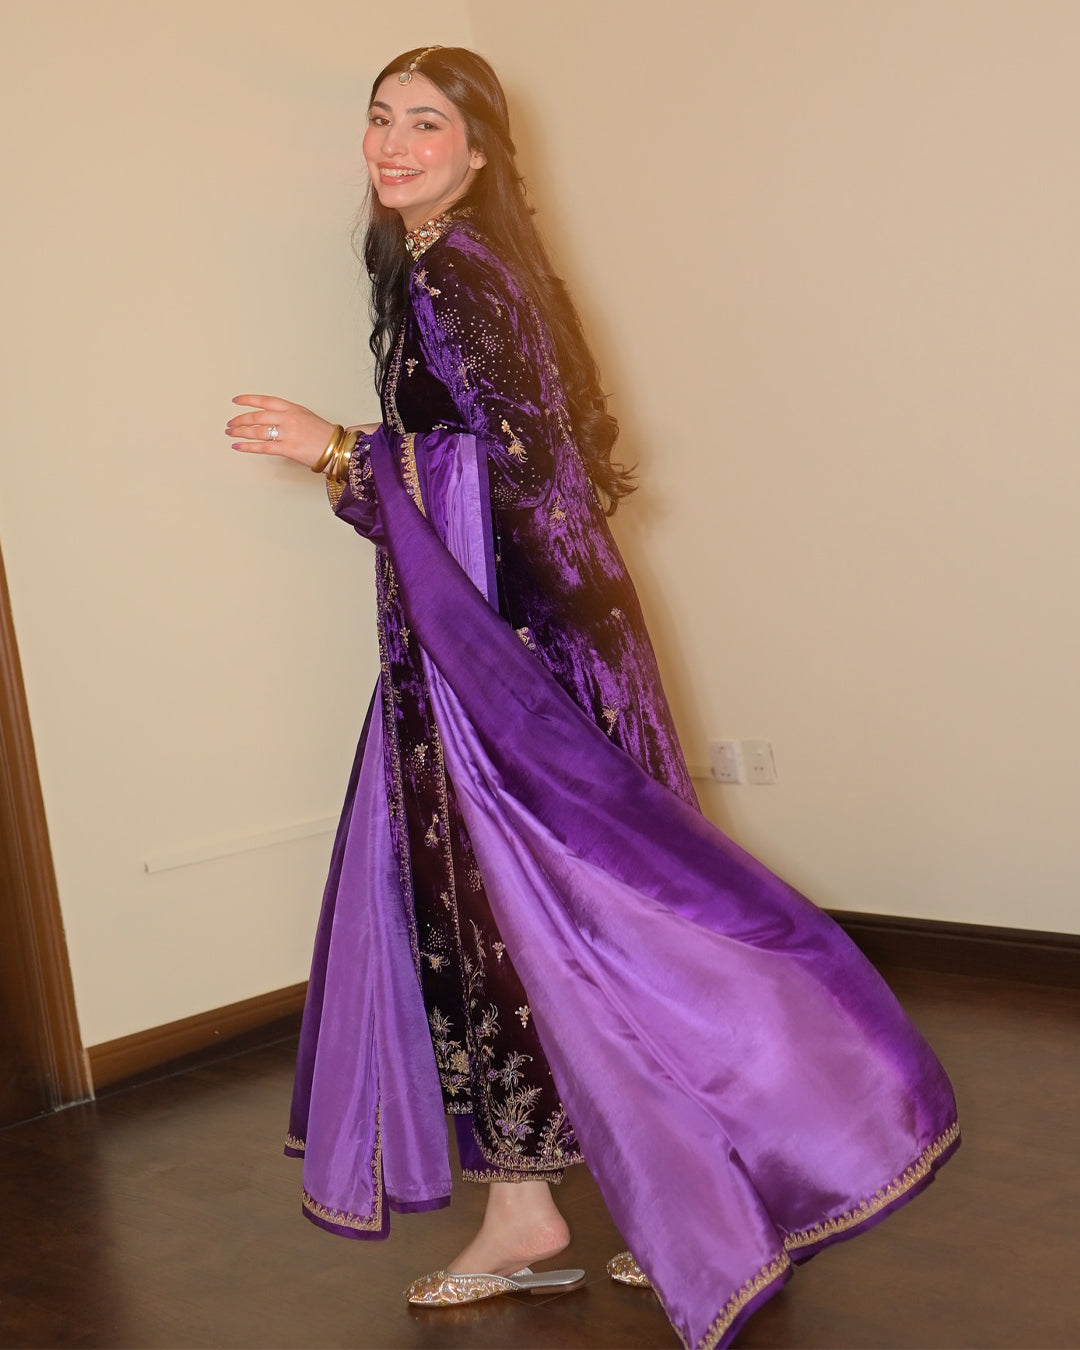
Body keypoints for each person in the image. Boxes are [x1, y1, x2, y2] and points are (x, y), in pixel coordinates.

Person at [226, 45, 959, 1350]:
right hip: (545, 633)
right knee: (605, 918)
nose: (393, 144)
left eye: (427, 124)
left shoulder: (454, 271)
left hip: (510, 660)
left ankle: (551, 1209)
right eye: (381, 119)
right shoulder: (469, 262)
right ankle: (692, 1178)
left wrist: (336, 447)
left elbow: (513, 469)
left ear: (479, 149)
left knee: (511, 919)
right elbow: (533, 464)